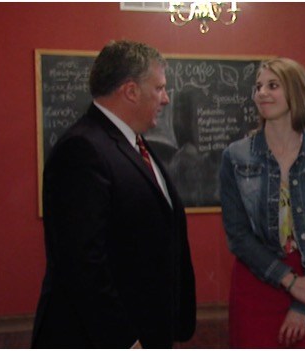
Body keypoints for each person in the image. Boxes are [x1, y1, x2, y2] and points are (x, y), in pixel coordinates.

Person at [31, 40, 196, 348]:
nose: (166, 98)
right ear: (130, 91)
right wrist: (123, 340)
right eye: (159, 88)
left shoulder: (132, 143)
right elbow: (81, 261)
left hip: (147, 329)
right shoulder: (82, 149)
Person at [219, 57, 305, 348]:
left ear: (296, 92)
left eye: (272, 85)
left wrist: (303, 303)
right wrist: (288, 281)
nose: (262, 93)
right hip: (256, 281)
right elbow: (237, 235)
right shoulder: (236, 156)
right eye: (258, 86)